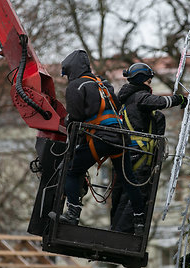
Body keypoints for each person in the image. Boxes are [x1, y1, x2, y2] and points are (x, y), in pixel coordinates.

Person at [59, 50, 145, 235]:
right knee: (128, 179)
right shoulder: (103, 84)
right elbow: (116, 106)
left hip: (101, 139)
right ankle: (139, 222)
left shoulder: (76, 86)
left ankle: (73, 214)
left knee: (72, 171)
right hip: (119, 137)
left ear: (71, 70)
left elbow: (76, 117)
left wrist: (72, 136)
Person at [110, 62, 188, 233]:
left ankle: (115, 232)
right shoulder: (139, 97)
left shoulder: (125, 100)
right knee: (137, 195)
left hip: (126, 156)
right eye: (149, 81)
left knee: (123, 197)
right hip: (139, 156)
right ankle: (122, 235)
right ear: (141, 79)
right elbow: (159, 102)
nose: (150, 84)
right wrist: (179, 99)